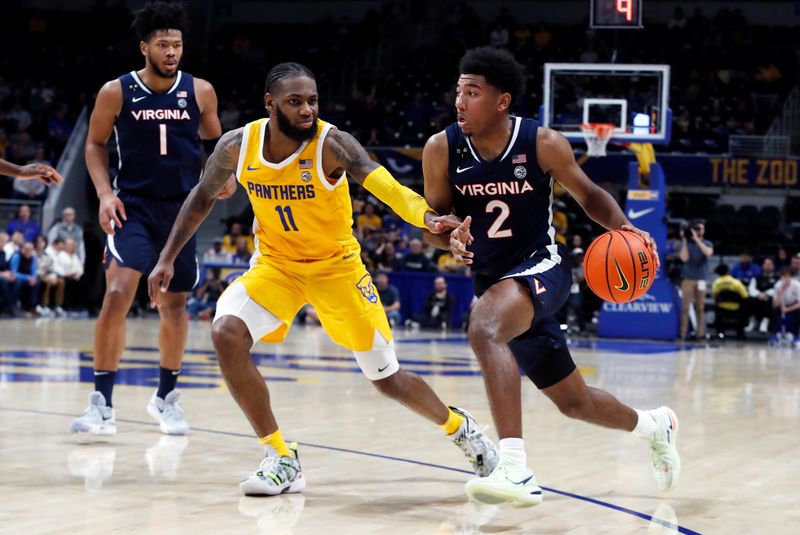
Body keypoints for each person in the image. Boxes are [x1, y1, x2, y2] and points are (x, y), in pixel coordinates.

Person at [147, 62, 498, 496]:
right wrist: (166, 258)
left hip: (337, 269)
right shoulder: (237, 146)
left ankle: (458, 427)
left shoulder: (333, 144)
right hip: (277, 267)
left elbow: (386, 187)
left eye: (312, 101)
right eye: (295, 102)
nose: (307, 110)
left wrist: (427, 216)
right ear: (269, 104)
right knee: (226, 333)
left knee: (387, 379)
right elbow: (201, 197)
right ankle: (280, 456)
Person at [422, 47, 680, 507]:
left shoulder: (541, 142)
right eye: (458, 92)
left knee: (483, 328)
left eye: (472, 93)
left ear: (502, 101)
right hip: (495, 284)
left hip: (543, 267)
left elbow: (589, 194)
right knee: (573, 402)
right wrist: (450, 239)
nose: (459, 102)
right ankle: (655, 425)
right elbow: (438, 225)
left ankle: (515, 469)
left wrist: (625, 229)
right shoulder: (441, 149)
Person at [70, 1, 236, 437]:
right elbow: (94, 145)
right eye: (163, 44)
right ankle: (101, 403)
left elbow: (217, 145)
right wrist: (105, 195)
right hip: (135, 206)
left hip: (184, 210)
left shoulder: (200, 91)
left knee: (175, 304)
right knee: (118, 292)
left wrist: (225, 178)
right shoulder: (116, 91)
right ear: (145, 47)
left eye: (177, 44)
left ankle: (166, 397)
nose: (171, 52)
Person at [678, 220, 713, 339]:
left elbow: (708, 253)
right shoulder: (687, 243)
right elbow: (684, 258)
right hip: (688, 278)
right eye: (697, 229)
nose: (699, 231)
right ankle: (683, 333)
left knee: (700, 308)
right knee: (685, 307)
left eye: (701, 228)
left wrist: (697, 240)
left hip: (701, 279)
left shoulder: (707, 243)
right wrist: (685, 240)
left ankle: (700, 333)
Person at [772, 267, 800, 347]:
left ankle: (796, 336)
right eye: (784, 276)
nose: (786, 278)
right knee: (774, 311)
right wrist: (780, 292)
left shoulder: (797, 285)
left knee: (798, 312)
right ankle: (775, 334)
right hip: (781, 305)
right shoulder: (777, 285)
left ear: (791, 277)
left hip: (794, 305)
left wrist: (788, 309)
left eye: (788, 276)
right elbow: (775, 304)